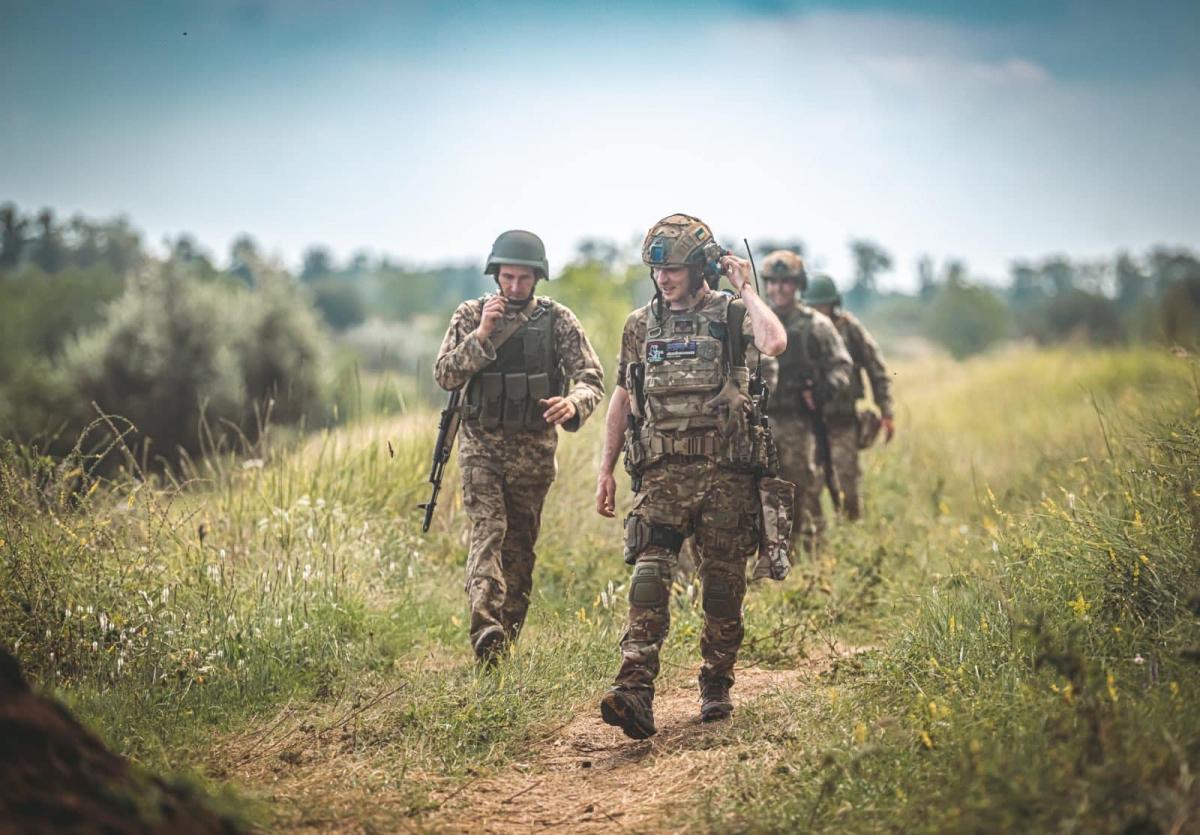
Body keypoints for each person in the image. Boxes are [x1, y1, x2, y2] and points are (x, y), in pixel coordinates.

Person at [594, 213, 787, 738]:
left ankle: (716, 683)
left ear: (701, 266)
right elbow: (623, 397)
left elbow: (773, 343)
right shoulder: (640, 325)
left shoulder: (729, 316)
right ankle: (634, 689)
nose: (664, 278)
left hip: (726, 479)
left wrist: (746, 287)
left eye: (674, 268)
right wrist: (606, 469)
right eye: (656, 269)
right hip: (661, 477)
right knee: (648, 578)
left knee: (722, 591)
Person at [434, 230, 605, 664]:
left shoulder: (557, 320)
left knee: (520, 551)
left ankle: (501, 649)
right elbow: (446, 375)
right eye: (506, 277)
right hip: (481, 450)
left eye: (522, 279)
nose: (513, 287)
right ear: (495, 274)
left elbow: (591, 378)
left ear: (537, 278)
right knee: (488, 533)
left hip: (533, 455)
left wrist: (572, 403)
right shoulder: (471, 314)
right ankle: (485, 627)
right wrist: (483, 335)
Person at [760, 252, 852, 557]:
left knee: (806, 492)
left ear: (798, 285)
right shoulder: (756, 320)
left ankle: (814, 562)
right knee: (762, 496)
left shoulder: (817, 324)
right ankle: (772, 560)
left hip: (800, 424)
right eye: (773, 283)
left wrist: (825, 389)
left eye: (786, 282)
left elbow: (842, 366)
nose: (779, 289)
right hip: (762, 423)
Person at [805, 274, 895, 520]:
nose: (817, 312)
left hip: (843, 420)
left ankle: (851, 535)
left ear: (833, 304)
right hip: (809, 423)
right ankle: (815, 545)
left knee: (847, 486)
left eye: (821, 306)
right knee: (808, 488)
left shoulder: (849, 329)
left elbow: (876, 369)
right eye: (812, 306)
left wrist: (886, 410)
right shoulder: (802, 330)